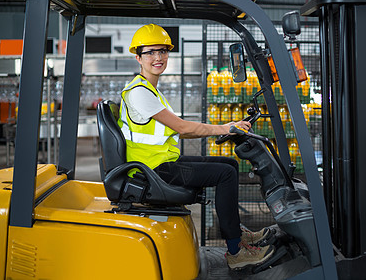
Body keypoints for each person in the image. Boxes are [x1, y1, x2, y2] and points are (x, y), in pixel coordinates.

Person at [118, 24, 275, 269]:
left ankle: (238, 236)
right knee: (225, 174)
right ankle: (235, 251)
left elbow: (179, 131)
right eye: (150, 52)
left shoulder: (149, 90)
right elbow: (183, 128)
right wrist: (226, 127)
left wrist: (226, 128)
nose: (158, 58)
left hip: (160, 163)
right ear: (138, 57)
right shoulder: (139, 93)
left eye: (162, 51)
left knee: (230, 164)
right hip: (152, 169)